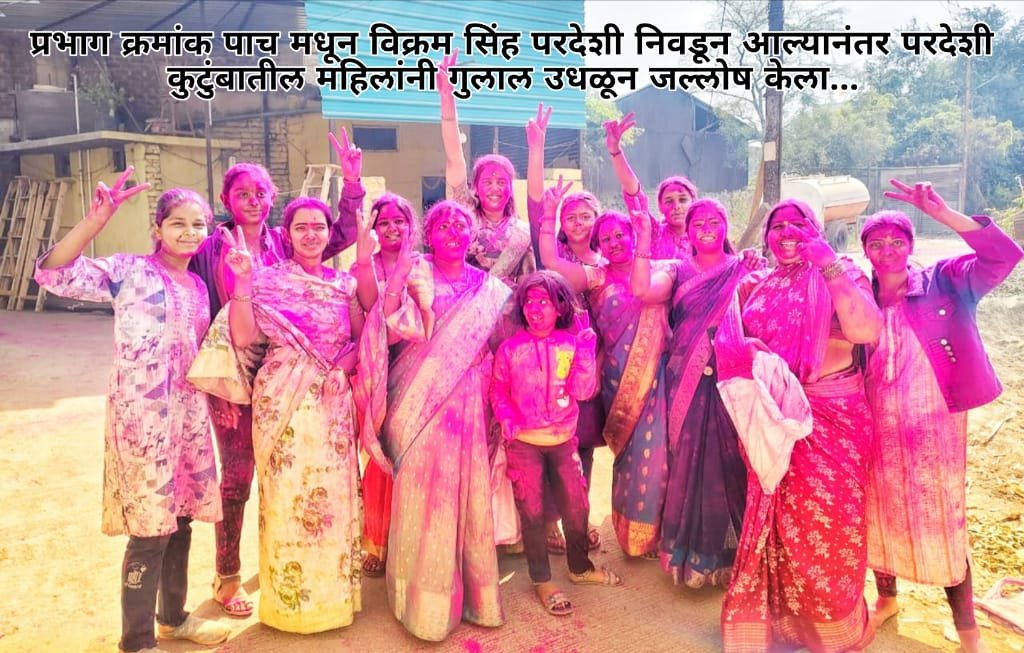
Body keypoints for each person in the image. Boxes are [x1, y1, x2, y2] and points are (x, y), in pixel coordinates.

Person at [34, 171, 229, 653]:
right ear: (157, 228)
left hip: (187, 417)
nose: (189, 232)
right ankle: (137, 640)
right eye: (177, 223)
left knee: (181, 518)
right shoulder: (129, 271)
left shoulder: (198, 286)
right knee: (149, 527)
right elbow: (54, 273)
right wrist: (94, 223)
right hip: (142, 420)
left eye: (198, 224)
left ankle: (173, 619)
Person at [189, 134, 359, 617]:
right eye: (243, 193)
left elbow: (339, 233)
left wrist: (351, 184)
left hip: (282, 372)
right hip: (234, 371)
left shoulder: (284, 240)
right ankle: (227, 577)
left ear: (272, 199)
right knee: (238, 476)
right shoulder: (210, 248)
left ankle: (283, 558)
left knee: (289, 476)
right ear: (226, 199)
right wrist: (219, 388)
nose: (253, 201)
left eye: (261, 193)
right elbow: (206, 317)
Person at [861, 180, 1023, 653]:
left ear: (911, 246)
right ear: (865, 250)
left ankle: (968, 633)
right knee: (878, 511)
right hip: (877, 424)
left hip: (934, 426)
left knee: (941, 519)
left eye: (897, 241)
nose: (886, 250)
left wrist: (945, 214)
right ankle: (887, 600)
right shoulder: (861, 295)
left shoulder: (944, 281)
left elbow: (1004, 257)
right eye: (876, 242)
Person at [720, 199, 883, 653]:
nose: (787, 232)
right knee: (779, 526)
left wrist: (827, 264)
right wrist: (749, 351)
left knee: (831, 526)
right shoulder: (757, 284)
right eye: (778, 226)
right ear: (767, 235)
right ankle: (784, 625)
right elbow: (730, 343)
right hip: (774, 421)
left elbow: (866, 331)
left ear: (816, 230)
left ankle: (831, 630)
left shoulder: (842, 272)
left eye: (799, 224)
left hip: (834, 421)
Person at [362, 200, 508, 641]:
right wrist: (397, 281)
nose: (453, 231)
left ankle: (474, 598)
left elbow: (496, 343)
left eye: (461, 224)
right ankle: (422, 602)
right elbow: (387, 330)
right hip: (419, 404)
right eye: (443, 225)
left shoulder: (488, 286)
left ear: (472, 234)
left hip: (470, 403)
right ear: (428, 234)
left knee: (466, 495)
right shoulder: (416, 271)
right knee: (425, 498)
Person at [630, 198, 759, 588]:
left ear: (726, 226)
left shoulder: (744, 267)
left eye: (713, 221)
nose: (705, 228)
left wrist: (752, 273)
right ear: (686, 232)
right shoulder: (676, 269)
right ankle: (690, 558)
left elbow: (757, 316)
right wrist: (643, 238)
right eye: (698, 223)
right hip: (685, 376)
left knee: (729, 462)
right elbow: (642, 290)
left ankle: (732, 557)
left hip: (729, 378)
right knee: (688, 462)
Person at [538, 179, 670, 558]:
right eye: (606, 238)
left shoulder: (661, 269)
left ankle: (655, 532)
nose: (613, 242)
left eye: (619, 235)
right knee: (620, 453)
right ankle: (619, 531)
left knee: (657, 454)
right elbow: (551, 263)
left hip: (653, 375)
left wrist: (615, 153)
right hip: (607, 375)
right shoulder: (595, 275)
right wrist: (548, 214)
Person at [490, 270, 623, 617]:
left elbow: (582, 391)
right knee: (532, 513)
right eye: (529, 302)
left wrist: (586, 352)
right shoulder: (510, 349)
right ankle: (542, 579)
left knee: (577, 508)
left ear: (560, 306)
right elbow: (498, 389)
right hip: (523, 443)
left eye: (544, 302)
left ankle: (580, 567)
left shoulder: (570, 344)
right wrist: (506, 416)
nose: (535, 309)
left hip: (564, 442)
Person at [525, 103, 605, 555]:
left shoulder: (609, 258)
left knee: (583, 445)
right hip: (553, 359)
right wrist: (537, 148)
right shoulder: (553, 256)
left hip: (595, 361)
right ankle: (551, 522)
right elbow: (538, 212)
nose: (577, 223)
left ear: (597, 220)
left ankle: (580, 519)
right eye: (570, 217)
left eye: (585, 216)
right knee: (553, 438)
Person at [348, 190, 431, 579]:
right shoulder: (364, 266)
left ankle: (411, 537)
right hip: (378, 370)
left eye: (400, 221)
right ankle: (377, 541)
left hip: (419, 370)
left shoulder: (426, 265)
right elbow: (369, 309)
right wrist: (365, 259)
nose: (393, 228)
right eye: (384, 223)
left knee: (415, 458)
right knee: (380, 457)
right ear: (374, 229)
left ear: (411, 225)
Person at [437, 49, 536, 287]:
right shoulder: (465, 213)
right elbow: (454, 157)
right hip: (463, 304)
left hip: (507, 308)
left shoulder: (522, 234)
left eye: (502, 182)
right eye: (487, 182)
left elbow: (528, 286)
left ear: (511, 189)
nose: (494, 188)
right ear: (475, 187)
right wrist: (447, 99)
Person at [604, 112, 697, 260]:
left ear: (694, 203)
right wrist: (615, 150)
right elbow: (633, 191)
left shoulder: (705, 236)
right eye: (669, 201)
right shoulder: (653, 233)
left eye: (683, 200)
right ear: (660, 206)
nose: (677, 206)